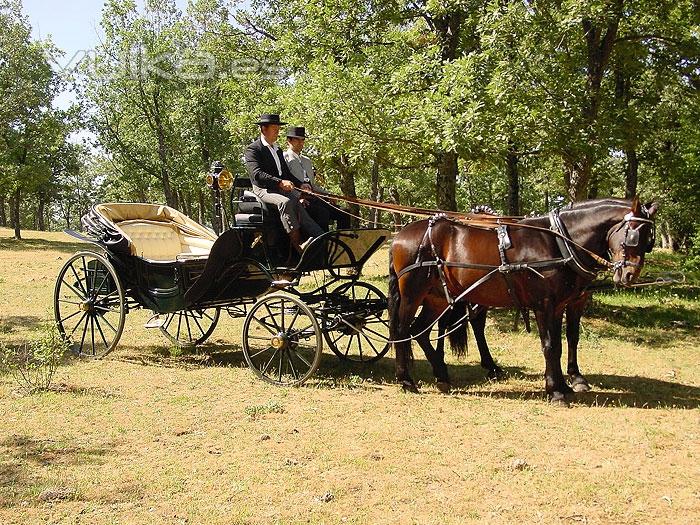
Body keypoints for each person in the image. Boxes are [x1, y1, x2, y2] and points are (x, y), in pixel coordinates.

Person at [243, 114, 324, 253]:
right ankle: (299, 245)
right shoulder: (253, 149)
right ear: (264, 129)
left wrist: (301, 185)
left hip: (278, 189)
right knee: (285, 202)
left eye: (278, 129)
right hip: (263, 190)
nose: (277, 132)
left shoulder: (277, 150)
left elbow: (286, 174)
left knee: (297, 203)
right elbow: (257, 174)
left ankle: (322, 238)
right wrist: (280, 182)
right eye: (275, 128)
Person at [283, 125, 351, 231]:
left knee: (344, 212)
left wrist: (328, 195)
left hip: (314, 198)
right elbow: (285, 183)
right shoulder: (284, 159)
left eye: (303, 140)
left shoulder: (307, 160)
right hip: (299, 200)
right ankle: (322, 245)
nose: (301, 143)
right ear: (289, 140)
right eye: (297, 140)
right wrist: (298, 198)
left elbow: (312, 185)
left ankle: (340, 244)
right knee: (322, 214)